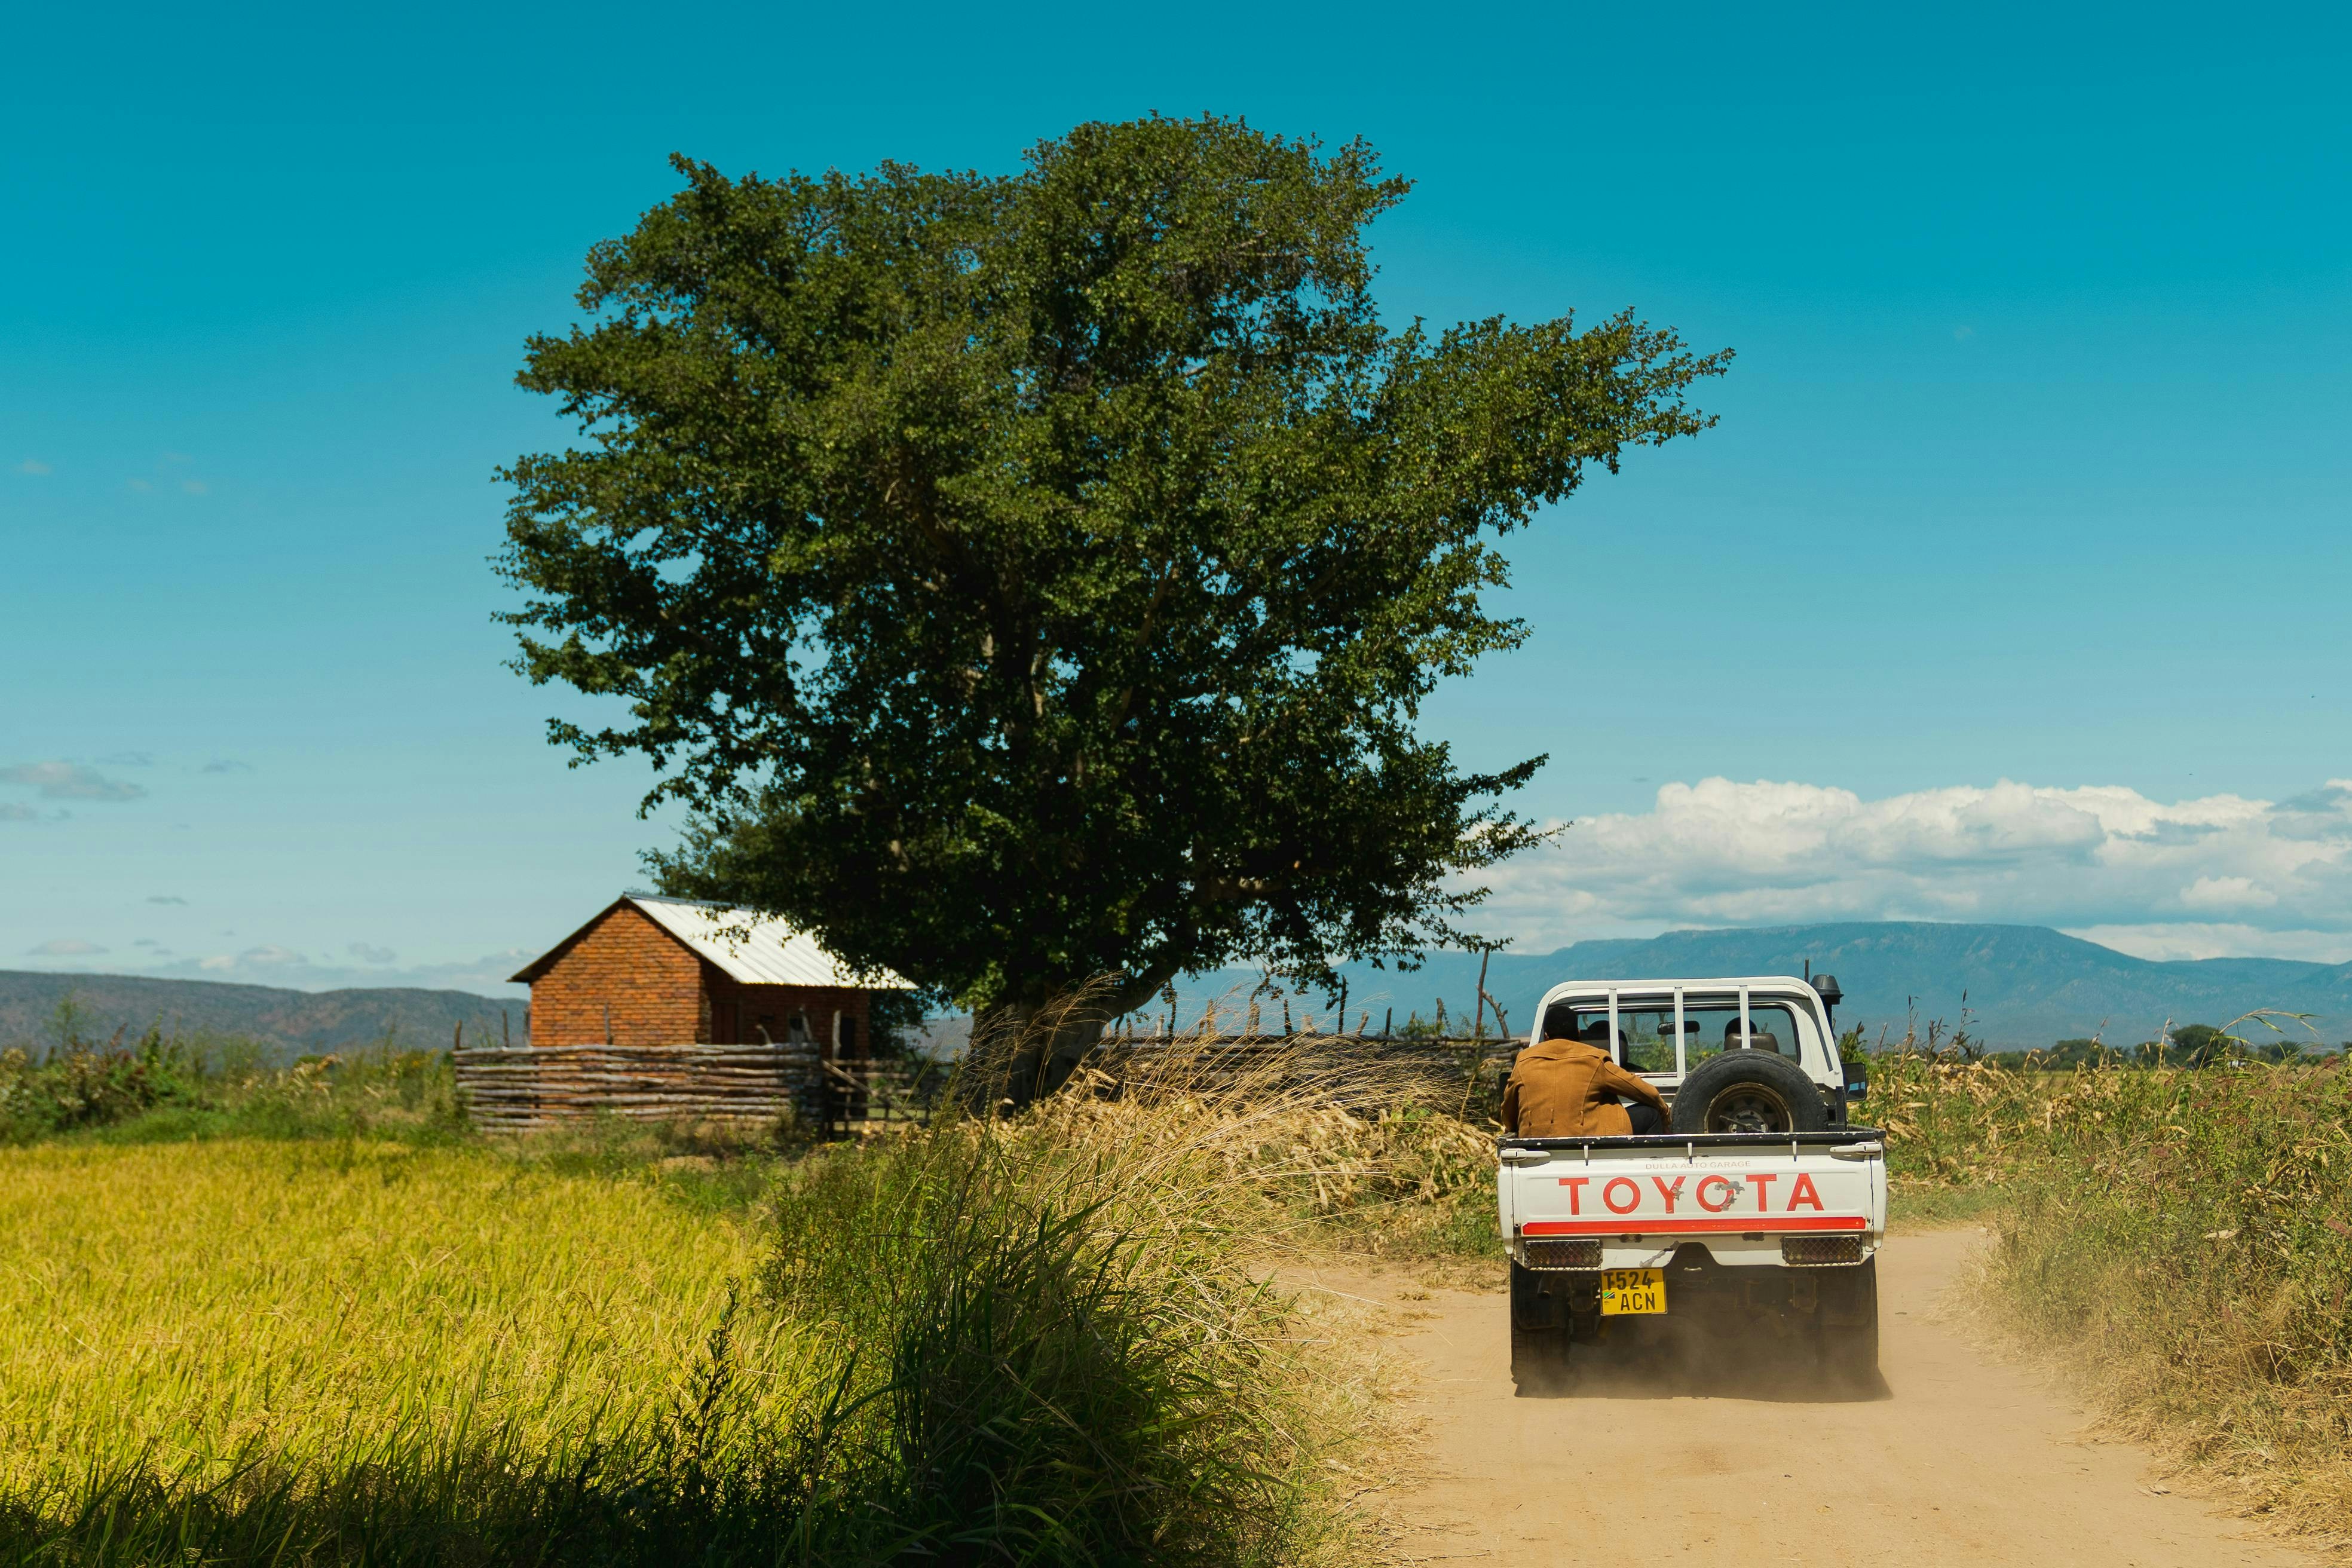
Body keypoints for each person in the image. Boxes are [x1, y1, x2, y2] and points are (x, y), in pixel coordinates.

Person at [1502, 1005, 1671, 1137]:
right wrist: (1665, 1113)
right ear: (1578, 1033)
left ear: (1546, 1036)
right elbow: (1646, 1092)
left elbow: (1508, 1113)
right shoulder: (1594, 1059)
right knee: (1651, 1114)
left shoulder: (1523, 1061)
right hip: (1588, 1142)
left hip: (1535, 1143)